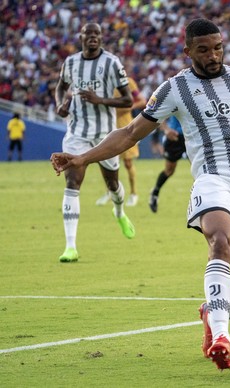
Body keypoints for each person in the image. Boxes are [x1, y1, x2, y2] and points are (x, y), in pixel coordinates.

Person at [51, 18, 230, 370]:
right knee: (221, 239)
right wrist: (82, 157)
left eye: (218, 47)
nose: (213, 55)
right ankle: (222, 338)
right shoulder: (174, 88)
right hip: (213, 179)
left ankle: (212, 312)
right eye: (204, 50)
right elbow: (130, 133)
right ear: (188, 51)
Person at [54, 22, 136, 263]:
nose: (93, 38)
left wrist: (99, 100)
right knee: (72, 181)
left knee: (112, 183)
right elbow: (61, 87)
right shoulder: (70, 62)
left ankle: (119, 212)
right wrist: (60, 105)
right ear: (81, 37)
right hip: (77, 132)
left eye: (97, 34)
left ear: (101, 38)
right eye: (89, 34)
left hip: (105, 135)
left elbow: (128, 101)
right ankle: (70, 247)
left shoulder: (112, 63)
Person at [96, 77, 147, 207]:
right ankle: (109, 191)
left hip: (125, 125)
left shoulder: (128, 82)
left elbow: (142, 101)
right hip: (107, 126)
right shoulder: (102, 83)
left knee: (128, 162)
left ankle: (133, 194)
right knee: (105, 162)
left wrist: (129, 106)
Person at [148, 115, 187, 213]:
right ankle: (155, 193)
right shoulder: (176, 99)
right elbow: (159, 114)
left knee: (198, 170)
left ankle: (202, 204)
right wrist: (166, 129)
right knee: (169, 171)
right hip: (175, 137)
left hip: (193, 136)